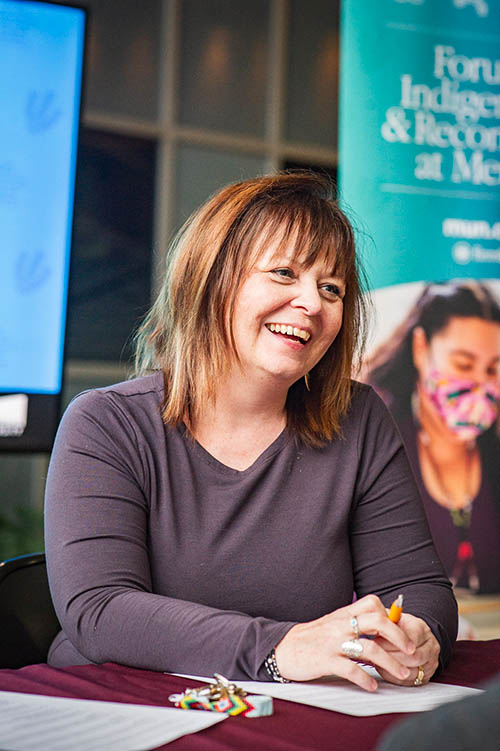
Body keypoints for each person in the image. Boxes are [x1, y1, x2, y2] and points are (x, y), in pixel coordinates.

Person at [44, 173, 457, 690]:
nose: (313, 303)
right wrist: (280, 648)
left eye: (332, 288)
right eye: (284, 273)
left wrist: (419, 634)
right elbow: (100, 609)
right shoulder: (106, 423)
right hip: (118, 709)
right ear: (212, 278)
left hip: (291, 716)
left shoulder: (360, 417)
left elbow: (416, 587)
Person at [366, 282, 500, 595]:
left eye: (493, 369)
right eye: (463, 364)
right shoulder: (376, 440)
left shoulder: (494, 449)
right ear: (421, 349)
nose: (479, 384)